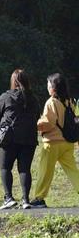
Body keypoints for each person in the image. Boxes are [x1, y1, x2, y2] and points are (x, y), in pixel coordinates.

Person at [0, 69, 40, 209]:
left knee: (5, 167)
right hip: (29, 138)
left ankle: (9, 198)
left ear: (13, 82)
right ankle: (25, 200)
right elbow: (37, 115)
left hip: (10, 138)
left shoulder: (6, 96)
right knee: (25, 169)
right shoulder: (34, 98)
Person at [30, 73, 79, 207]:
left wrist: (34, 124)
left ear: (54, 88)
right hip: (67, 143)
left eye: (48, 84)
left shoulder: (51, 102)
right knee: (73, 170)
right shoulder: (69, 101)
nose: (47, 86)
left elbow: (48, 122)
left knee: (45, 171)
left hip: (52, 143)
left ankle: (39, 198)